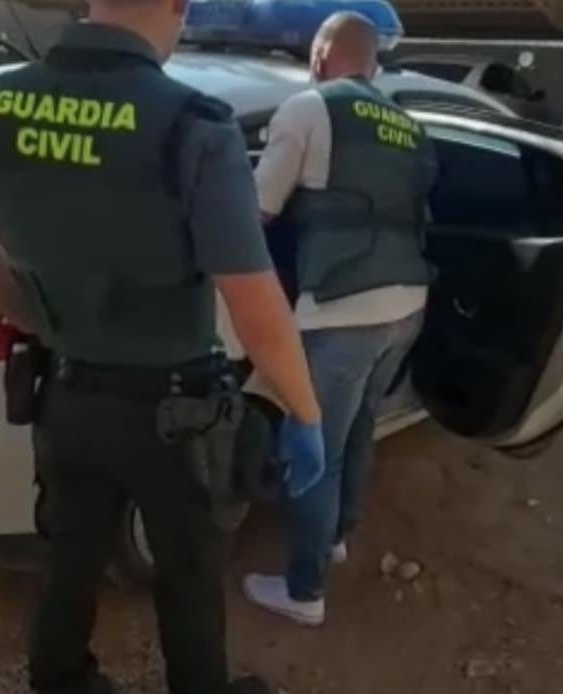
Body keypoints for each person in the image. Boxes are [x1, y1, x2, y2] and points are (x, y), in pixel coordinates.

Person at [0, 0, 327, 694]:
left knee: (70, 557)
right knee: (187, 574)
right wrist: (305, 412)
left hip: (66, 395)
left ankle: (61, 681)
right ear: (177, 5)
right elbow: (253, 298)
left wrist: (48, 324)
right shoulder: (191, 121)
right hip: (173, 414)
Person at [242, 11, 439, 627]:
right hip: (408, 303)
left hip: (344, 308)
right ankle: (336, 536)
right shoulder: (411, 128)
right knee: (357, 429)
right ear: (373, 63)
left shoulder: (308, 108)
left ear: (322, 53)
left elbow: (255, 212)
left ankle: (305, 592)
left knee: (312, 448)